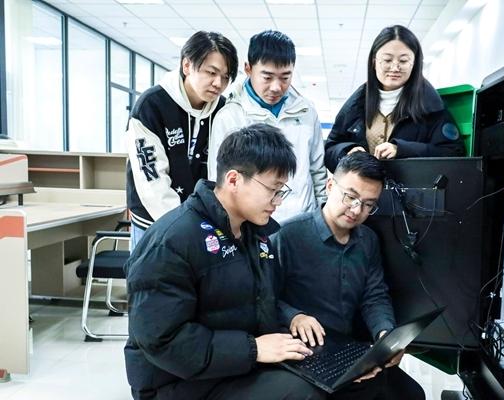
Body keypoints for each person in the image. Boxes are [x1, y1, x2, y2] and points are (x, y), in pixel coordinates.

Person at [124, 123, 326, 400]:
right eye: (273, 189)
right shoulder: (171, 241)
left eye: (282, 191)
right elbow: (163, 340)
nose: (277, 201)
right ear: (233, 180)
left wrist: (293, 317)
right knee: (302, 394)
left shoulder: (256, 232)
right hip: (177, 383)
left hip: (232, 365)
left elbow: (257, 297)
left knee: (334, 375)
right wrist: (253, 349)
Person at [271, 152, 425, 400]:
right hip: (304, 352)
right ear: (330, 185)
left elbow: (374, 296)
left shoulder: (368, 240)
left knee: (412, 394)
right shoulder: (287, 236)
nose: (357, 210)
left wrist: (385, 336)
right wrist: (293, 316)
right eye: (350, 197)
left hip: (348, 348)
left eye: (368, 204)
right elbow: (262, 296)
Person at [126, 31, 238, 248]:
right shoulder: (152, 106)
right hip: (153, 222)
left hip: (204, 225)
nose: (218, 83)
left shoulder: (224, 111)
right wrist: (182, 226)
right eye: (211, 72)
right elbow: (151, 178)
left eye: (225, 77)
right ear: (187, 65)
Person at [207, 30, 327, 223]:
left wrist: (322, 217)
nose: (276, 87)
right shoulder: (230, 116)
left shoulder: (306, 111)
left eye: (285, 77)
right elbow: (219, 181)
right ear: (248, 69)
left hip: (303, 220)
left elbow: (317, 170)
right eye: (267, 77)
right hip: (253, 225)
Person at [324, 25, 464, 172]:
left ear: (414, 64)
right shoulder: (356, 104)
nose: (395, 68)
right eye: (387, 60)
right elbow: (331, 149)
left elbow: (453, 153)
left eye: (403, 61)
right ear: (374, 62)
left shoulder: (430, 105)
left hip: (413, 186)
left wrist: (402, 150)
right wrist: (346, 152)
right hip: (363, 187)